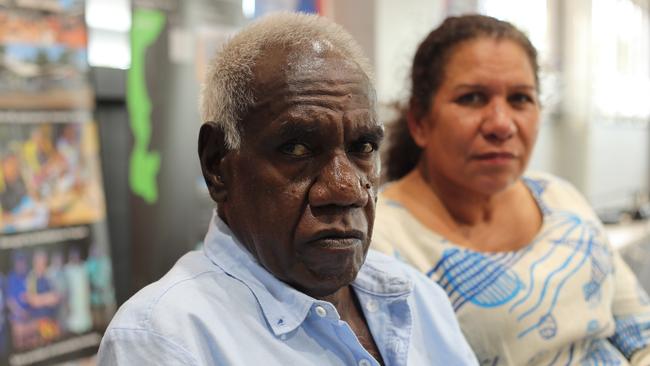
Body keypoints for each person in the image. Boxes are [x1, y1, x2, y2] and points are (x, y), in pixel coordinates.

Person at [97, 12, 477, 366]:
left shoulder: (416, 297)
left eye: (363, 147)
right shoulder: (166, 339)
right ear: (217, 165)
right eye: (297, 149)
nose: (347, 190)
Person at [371, 14, 650, 365]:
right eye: (472, 98)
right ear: (420, 122)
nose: (501, 125)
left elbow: (637, 327)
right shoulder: (380, 242)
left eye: (520, 99)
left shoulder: (559, 196)